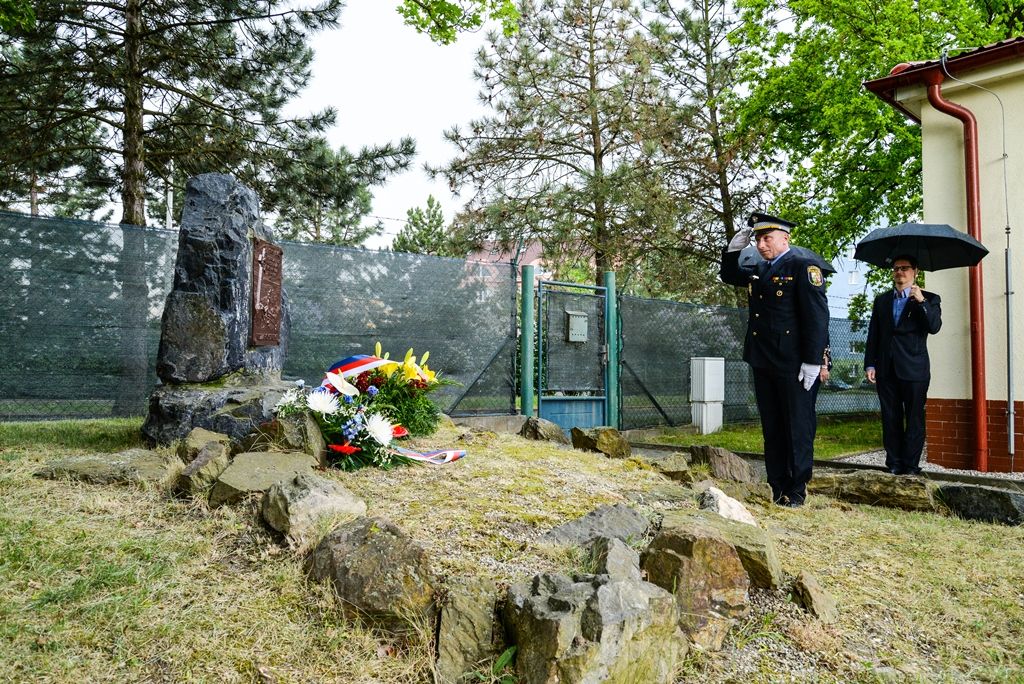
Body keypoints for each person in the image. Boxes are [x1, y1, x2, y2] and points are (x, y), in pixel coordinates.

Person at [720, 212, 830, 507]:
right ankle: (776, 483)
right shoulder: (758, 267)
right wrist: (732, 251)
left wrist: (813, 360)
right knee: (772, 425)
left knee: (797, 424)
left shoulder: (803, 266)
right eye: (757, 238)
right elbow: (730, 276)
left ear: (785, 238)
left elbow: (817, 318)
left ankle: (796, 489)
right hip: (764, 358)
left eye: (767, 237)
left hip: (794, 362)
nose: (761, 243)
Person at [863, 255, 942, 475]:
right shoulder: (883, 300)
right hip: (886, 369)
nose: (900, 272)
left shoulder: (930, 298)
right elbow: (874, 335)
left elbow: (934, 326)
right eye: (896, 268)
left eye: (905, 268)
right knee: (890, 417)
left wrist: (921, 301)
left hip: (914, 369)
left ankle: (911, 465)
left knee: (915, 418)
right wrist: (870, 364)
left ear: (915, 271)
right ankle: (894, 463)